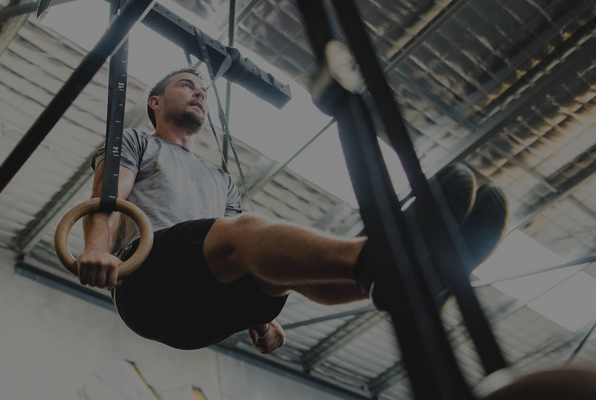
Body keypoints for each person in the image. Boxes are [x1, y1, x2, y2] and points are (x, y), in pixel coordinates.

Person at [77, 67, 508, 353]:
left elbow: (244, 256)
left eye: (204, 92)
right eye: (187, 85)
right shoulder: (139, 142)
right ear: (155, 102)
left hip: (196, 320)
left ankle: (415, 287)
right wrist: (96, 248)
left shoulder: (221, 180)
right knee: (240, 232)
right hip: (146, 284)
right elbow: (109, 196)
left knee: (272, 272)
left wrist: (259, 321)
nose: (199, 94)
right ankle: (386, 254)